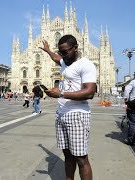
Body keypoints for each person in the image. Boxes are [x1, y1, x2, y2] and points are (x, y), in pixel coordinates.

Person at [39, 34, 96, 180]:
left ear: (76, 48)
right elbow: (55, 58)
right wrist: (48, 50)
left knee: (81, 159)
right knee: (68, 155)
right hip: (61, 114)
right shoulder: (64, 61)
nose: (62, 55)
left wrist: (61, 93)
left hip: (77, 114)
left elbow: (90, 92)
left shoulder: (85, 64)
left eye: (65, 51)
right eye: (61, 52)